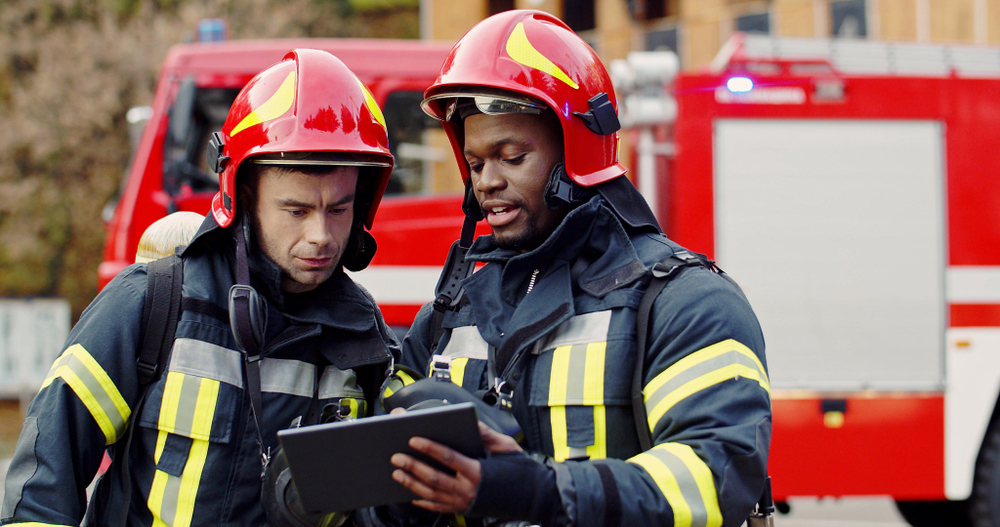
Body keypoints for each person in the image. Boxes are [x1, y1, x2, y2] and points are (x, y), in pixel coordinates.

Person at [380, 10, 770, 527]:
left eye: (512, 156)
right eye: (475, 164)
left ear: (576, 153)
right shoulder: (452, 311)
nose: (487, 182)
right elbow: (383, 446)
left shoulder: (686, 303)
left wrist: (540, 492)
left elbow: (715, 475)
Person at [1, 49, 399, 526]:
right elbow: (45, 479)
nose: (321, 236)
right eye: (295, 210)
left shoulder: (364, 336)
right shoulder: (152, 304)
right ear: (244, 197)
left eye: (338, 209)